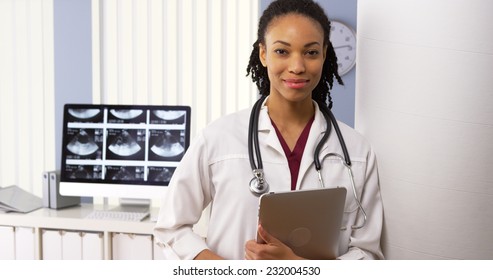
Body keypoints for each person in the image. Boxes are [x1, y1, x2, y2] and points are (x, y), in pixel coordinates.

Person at [153, 0, 384, 260]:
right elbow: (170, 229)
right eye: (282, 51)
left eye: (310, 52)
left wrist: (297, 267)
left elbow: (368, 254)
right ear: (263, 54)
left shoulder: (356, 151)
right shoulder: (218, 140)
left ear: (324, 54)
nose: (297, 66)